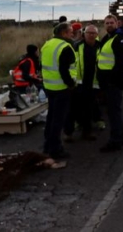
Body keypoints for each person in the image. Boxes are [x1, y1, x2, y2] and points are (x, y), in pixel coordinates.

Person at [41, 22, 77, 159]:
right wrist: (71, 84)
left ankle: (47, 145)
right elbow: (64, 70)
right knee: (58, 120)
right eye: (70, 31)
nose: (72, 34)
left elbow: (42, 66)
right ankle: (55, 149)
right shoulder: (65, 47)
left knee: (51, 117)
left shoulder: (47, 44)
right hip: (62, 88)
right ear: (63, 33)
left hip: (49, 87)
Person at [97, 14, 123, 153]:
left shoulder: (119, 39)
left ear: (117, 23)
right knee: (113, 112)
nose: (109, 25)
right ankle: (119, 138)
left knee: (113, 113)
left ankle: (115, 141)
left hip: (113, 83)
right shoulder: (107, 38)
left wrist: (112, 81)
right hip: (107, 82)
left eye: (111, 22)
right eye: (107, 23)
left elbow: (121, 63)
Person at [65, 24, 101, 141]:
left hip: (92, 84)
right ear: (83, 34)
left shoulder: (100, 47)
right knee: (72, 109)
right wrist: (71, 81)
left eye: (93, 33)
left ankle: (87, 133)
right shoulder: (76, 46)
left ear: (97, 35)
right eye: (88, 33)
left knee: (88, 110)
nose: (91, 35)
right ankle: (68, 134)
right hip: (78, 84)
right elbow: (70, 65)